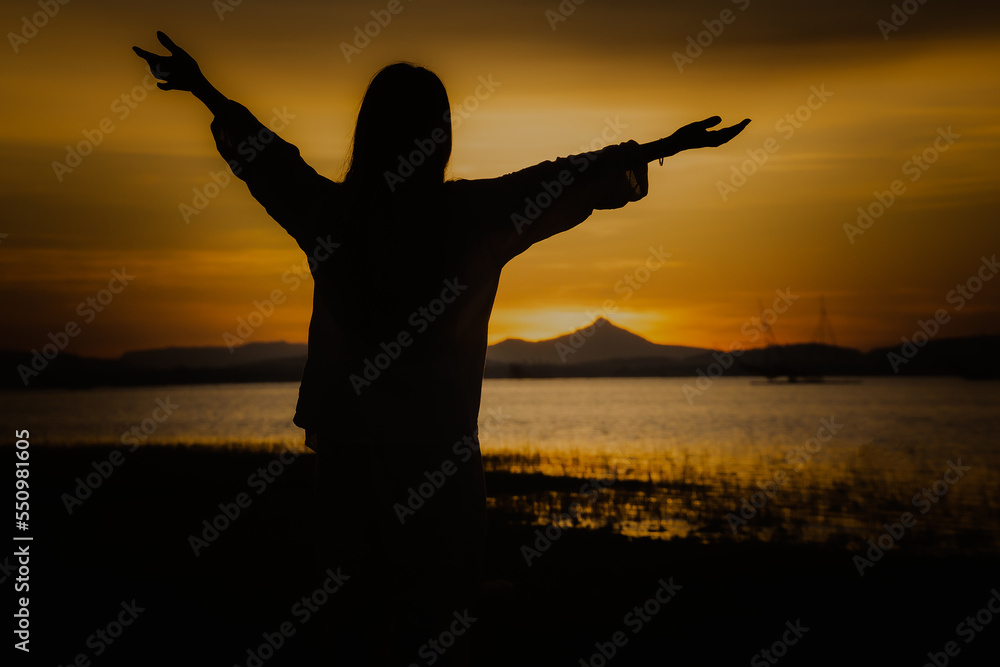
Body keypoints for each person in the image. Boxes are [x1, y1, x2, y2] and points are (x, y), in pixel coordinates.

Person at [133, 31, 749, 666]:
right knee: (433, 625)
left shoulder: (334, 215)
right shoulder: (470, 215)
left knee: (355, 627)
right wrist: (668, 146)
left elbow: (267, 156)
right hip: (436, 463)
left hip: (349, 465)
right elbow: (568, 175)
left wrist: (202, 88)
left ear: (368, 134)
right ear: (440, 136)